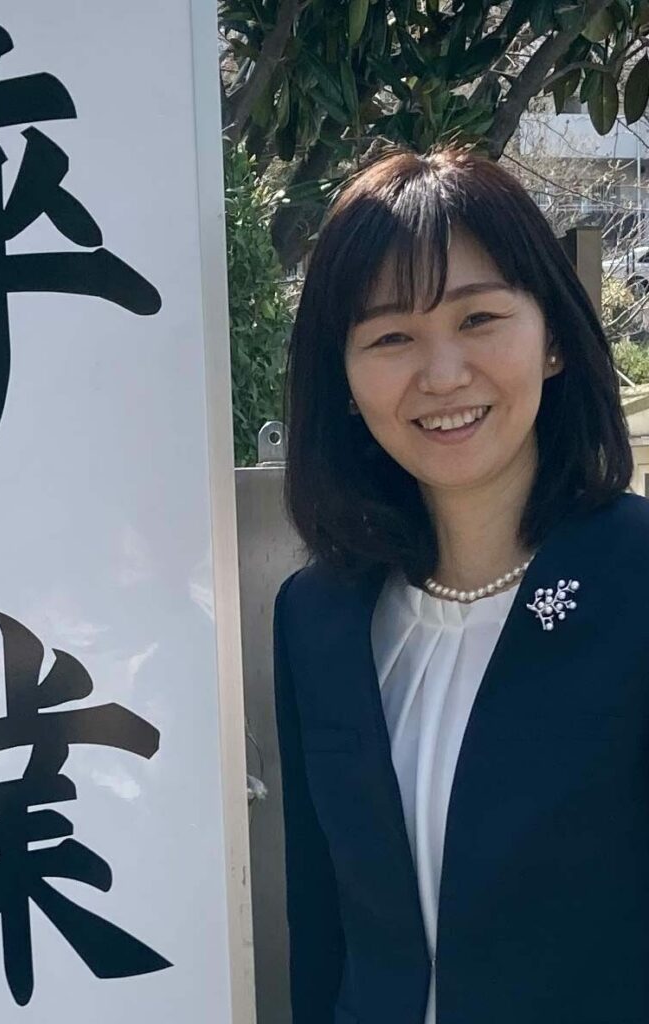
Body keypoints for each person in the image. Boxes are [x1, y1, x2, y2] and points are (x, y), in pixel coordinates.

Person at [273, 145, 649, 1024]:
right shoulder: (317, 617)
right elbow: (321, 926)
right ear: (344, 378)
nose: (442, 375)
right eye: (391, 337)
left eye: (478, 319)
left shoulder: (638, 582)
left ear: (553, 338)